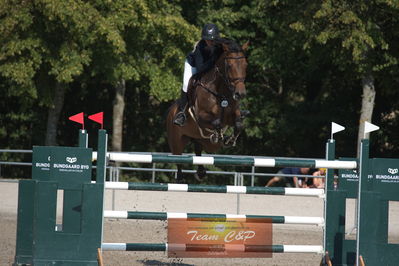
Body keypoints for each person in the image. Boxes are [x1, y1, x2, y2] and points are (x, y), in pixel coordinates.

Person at [173, 23, 222, 126]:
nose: (210, 42)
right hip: (194, 66)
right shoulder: (199, 48)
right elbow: (200, 68)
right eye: (208, 39)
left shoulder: (219, 46)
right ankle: (182, 113)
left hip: (210, 69)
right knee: (187, 85)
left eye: (213, 40)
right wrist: (214, 61)